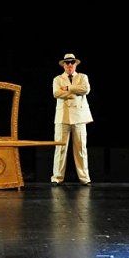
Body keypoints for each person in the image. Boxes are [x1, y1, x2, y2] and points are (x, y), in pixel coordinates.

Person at [51, 53, 93, 186]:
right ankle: (57, 177)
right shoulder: (58, 79)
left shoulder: (82, 77)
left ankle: (85, 178)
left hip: (79, 117)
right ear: (63, 65)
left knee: (81, 148)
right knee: (60, 148)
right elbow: (56, 93)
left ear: (75, 64)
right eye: (67, 62)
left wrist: (68, 88)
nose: (69, 65)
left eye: (72, 62)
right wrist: (74, 93)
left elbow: (85, 89)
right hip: (62, 117)